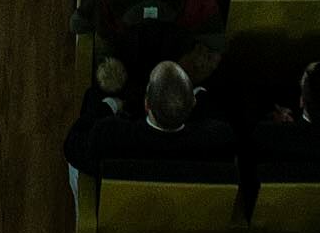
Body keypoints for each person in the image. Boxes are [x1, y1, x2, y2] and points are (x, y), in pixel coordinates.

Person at [64, 60, 236, 173]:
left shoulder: (110, 134)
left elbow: (71, 146)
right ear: (193, 103)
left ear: (146, 105)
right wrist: (202, 94)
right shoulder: (219, 139)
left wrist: (108, 105)